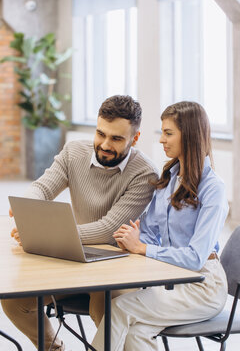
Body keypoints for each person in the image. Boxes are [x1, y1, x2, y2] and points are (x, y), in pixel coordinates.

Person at [1, 95, 158, 351]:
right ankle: (54, 348)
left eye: (116, 138)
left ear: (135, 138)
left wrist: (46, 232)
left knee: (106, 308)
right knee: (14, 301)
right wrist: (26, 207)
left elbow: (110, 230)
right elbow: (42, 187)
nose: (105, 144)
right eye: (100, 134)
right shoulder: (74, 152)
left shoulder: (145, 173)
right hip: (73, 257)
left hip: (118, 265)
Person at [92, 101, 229, 351]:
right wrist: (133, 237)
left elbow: (196, 257)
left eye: (168, 133)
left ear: (188, 135)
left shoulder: (213, 188)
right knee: (137, 334)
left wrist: (143, 248)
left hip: (204, 286)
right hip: (171, 280)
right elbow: (150, 232)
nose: (161, 140)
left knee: (120, 307)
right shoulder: (169, 180)